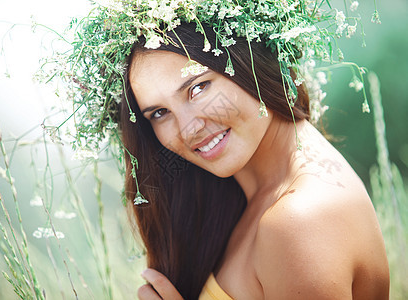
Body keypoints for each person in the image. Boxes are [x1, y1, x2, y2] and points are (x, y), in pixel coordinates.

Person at [118, 23, 390, 299]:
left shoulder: (298, 220)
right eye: (160, 113)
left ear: (249, 57)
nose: (188, 130)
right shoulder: (242, 194)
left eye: (198, 88)